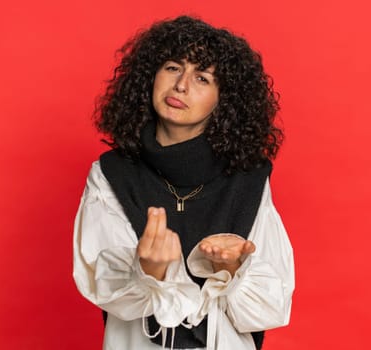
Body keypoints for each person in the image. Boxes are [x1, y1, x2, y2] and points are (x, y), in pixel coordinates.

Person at [73, 15, 294, 350]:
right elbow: (105, 285)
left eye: (202, 77)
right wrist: (147, 270)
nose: (181, 85)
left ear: (224, 100)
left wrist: (234, 270)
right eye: (173, 67)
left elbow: (270, 306)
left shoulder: (249, 178)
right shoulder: (111, 173)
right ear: (151, 75)